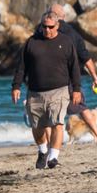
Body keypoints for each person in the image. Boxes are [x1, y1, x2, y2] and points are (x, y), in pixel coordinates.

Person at [11, 10, 82, 169]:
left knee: (58, 123)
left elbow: (75, 68)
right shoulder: (31, 42)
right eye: (44, 26)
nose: (47, 30)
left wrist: (76, 89)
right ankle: (43, 151)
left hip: (60, 90)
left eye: (50, 27)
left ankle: (53, 157)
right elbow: (21, 67)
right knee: (37, 126)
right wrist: (16, 86)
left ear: (57, 25)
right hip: (35, 92)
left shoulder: (66, 42)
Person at [49, 3, 97, 150]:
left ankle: (51, 144)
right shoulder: (74, 34)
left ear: (53, 16)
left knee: (50, 111)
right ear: (63, 17)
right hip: (71, 79)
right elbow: (86, 58)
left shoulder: (45, 29)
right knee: (82, 108)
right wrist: (95, 78)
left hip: (52, 78)